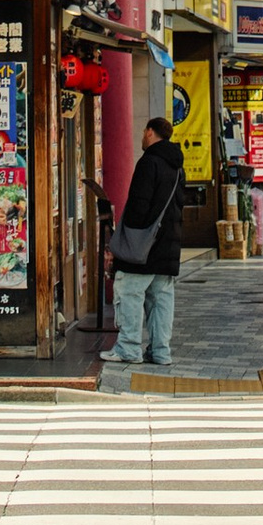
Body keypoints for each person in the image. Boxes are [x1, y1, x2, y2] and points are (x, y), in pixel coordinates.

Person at [111, 114, 187, 368]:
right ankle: (160, 352)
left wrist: (126, 236)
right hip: (169, 244)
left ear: (151, 132)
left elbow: (138, 206)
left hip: (143, 246)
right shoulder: (177, 166)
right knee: (161, 300)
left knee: (129, 292)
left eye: (145, 132)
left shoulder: (149, 162)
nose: (142, 136)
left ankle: (129, 348)